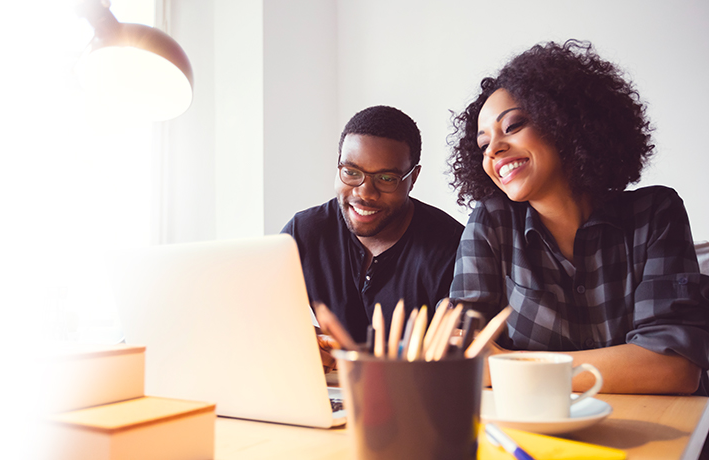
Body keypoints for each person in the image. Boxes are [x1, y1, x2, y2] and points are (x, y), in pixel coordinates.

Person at [448, 40, 709, 394]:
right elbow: (463, 360)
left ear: (564, 121)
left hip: (658, 425)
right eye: (483, 145)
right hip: (535, 424)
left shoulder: (656, 213)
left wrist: (508, 366)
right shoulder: (491, 223)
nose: (493, 149)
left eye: (512, 126)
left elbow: (674, 368)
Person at [283, 106, 464, 369]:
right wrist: (299, 340)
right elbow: (258, 317)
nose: (365, 193)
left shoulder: (453, 247)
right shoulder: (303, 233)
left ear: (413, 178)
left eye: (386, 178)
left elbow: (460, 357)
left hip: (415, 390)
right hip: (327, 389)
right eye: (351, 172)